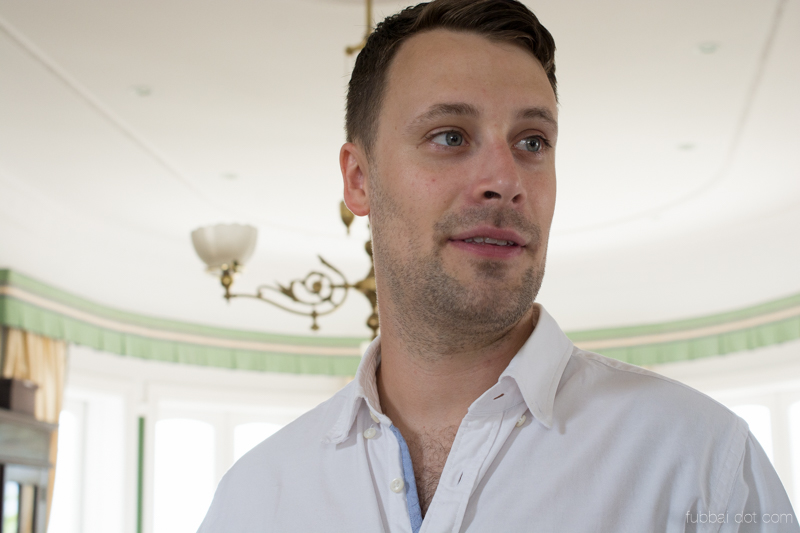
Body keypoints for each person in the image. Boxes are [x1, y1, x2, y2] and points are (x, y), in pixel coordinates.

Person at [198, 1, 797, 531]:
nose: (506, 180)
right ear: (359, 180)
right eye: (450, 136)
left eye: (532, 142)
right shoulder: (254, 498)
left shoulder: (703, 462)